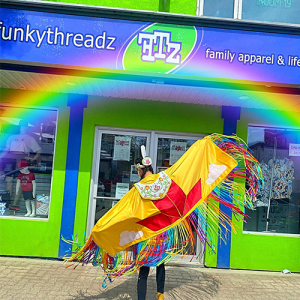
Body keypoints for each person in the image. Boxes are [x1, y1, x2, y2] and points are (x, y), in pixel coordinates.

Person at [134, 156, 165, 300]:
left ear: (140, 169)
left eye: (137, 170)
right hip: (162, 230)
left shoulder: (139, 187)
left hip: (146, 231)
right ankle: (160, 296)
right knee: (160, 263)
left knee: (144, 269)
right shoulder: (163, 181)